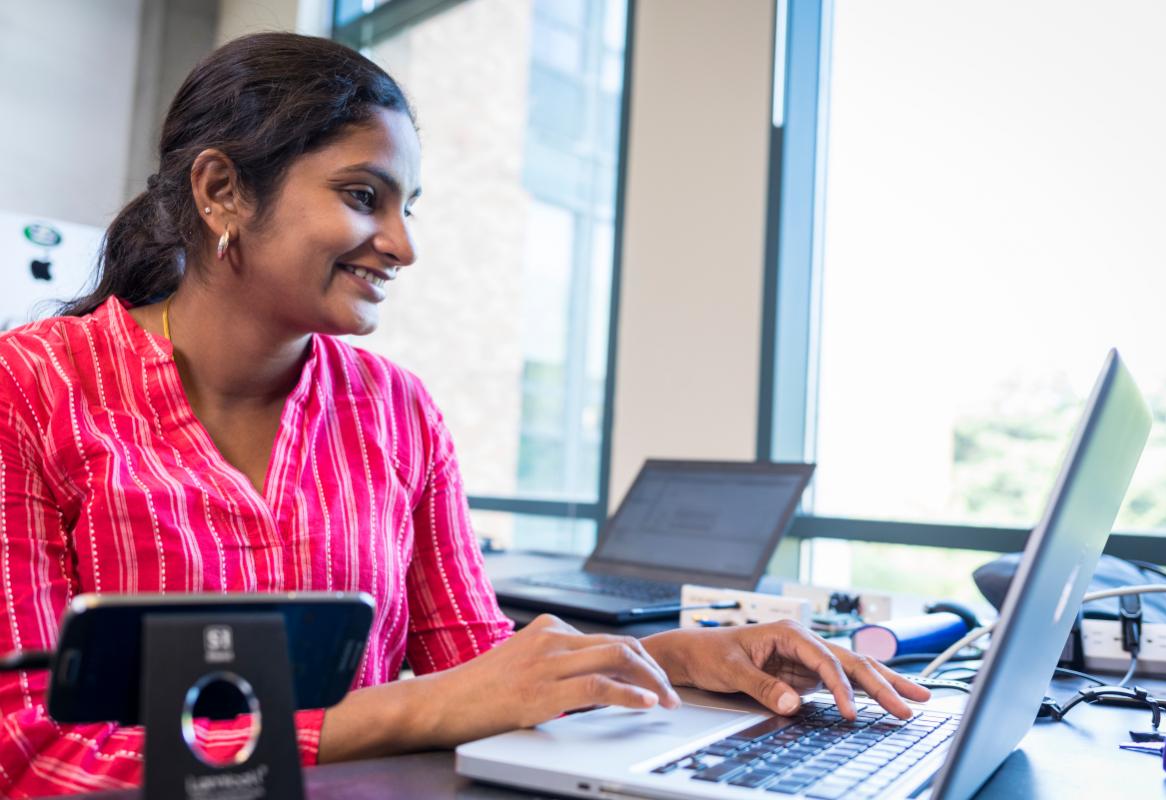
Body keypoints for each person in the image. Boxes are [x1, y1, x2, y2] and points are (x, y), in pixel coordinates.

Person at [0, 32, 929, 796]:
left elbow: (480, 662)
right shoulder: (31, 389)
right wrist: (407, 710)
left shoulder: (397, 414)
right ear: (220, 190)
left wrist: (682, 657)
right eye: (364, 197)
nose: (402, 245)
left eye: (409, 207)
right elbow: (34, 758)